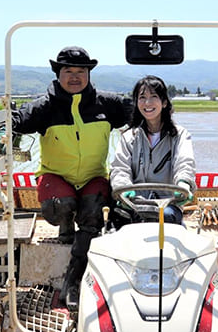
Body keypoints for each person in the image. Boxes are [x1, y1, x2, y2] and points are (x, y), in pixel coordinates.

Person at [11, 46, 130, 308]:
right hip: (56, 177)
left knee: (92, 214)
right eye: (68, 71)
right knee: (61, 205)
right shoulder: (45, 107)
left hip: (93, 176)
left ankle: (73, 281)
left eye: (81, 71)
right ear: (58, 73)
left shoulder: (106, 104)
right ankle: (65, 225)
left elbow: (142, 113)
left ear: (89, 74)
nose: (75, 76)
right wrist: (2, 130)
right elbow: (15, 120)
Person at [110, 75, 196, 226]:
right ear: (136, 103)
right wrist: (123, 188)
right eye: (142, 97)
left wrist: (183, 184)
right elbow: (120, 168)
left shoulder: (179, 135)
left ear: (164, 102)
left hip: (168, 203)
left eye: (153, 97)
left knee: (166, 218)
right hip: (135, 202)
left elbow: (184, 162)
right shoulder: (129, 136)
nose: (147, 103)